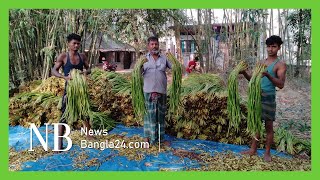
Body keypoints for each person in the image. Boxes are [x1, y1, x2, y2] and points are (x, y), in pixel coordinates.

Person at [239, 35, 287, 162]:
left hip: (268, 98)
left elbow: (281, 84)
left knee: (269, 126)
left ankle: (267, 153)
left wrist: (268, 75)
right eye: (269, 46)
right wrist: (244, 73)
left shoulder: (280, 65)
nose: (270, 49)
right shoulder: (261, 63)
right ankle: (253, 150)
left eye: (274, 46)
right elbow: (253, 81)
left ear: (279, 48)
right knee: (256, 124)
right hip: (257, 97)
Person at [51, 33, 92, 151]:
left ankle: (88, 135)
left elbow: (89, 68)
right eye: (74, 43)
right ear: (68, 44)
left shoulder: (82, 56)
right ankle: (59, 143)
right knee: (64, 115)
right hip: (69, 90)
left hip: (81, 89)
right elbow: (54, 70)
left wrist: (85, 72)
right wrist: (64, 77)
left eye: (78, 43)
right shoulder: (63, 56)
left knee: (85, 111)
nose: (76, 45)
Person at [142, 36, 172, 146]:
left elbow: (175, 68)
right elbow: (137, 73)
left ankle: (161, 139)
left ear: (159, 45)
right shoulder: (144, 59)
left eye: (156, 44)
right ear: (148, 46)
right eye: (152, 44)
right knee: (149, 115)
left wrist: (173, 60)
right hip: (148, 91)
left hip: (161, 91)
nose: (154, 46)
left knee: (161, 115)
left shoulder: (164, 58)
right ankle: (147, 137)